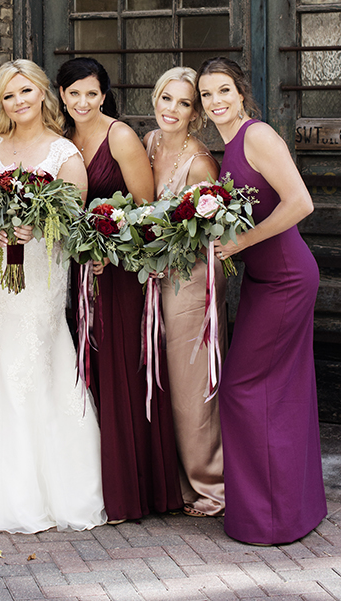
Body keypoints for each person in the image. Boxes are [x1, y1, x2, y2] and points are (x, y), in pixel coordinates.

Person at [0, 59, 106, 533]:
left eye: (26, 91)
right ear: (0, 102)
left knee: (33, 363)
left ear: (43, 93)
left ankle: (51, 489)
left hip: (42, 275)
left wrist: (38, 229)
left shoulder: (64, 152)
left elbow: (74, 226)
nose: (18, 101)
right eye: (8, 95)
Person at [196, 57, 327, 545]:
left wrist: (240, 244)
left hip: (287, 278)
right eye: (207, 95)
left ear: (241, 92)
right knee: (283, 391)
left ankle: (270, 517)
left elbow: (301, 203)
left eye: (224, 90)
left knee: (243, 388)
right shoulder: (226, 145)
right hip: (262, 280)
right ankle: (294, 507)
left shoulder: (257, 135)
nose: (216, 102)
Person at [56, 57, 182, 523]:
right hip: (74, 268)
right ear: (63, 96)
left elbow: (145, 209)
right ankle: (97, 483)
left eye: (91, 93)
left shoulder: (120, 136)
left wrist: (109, 246)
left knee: (121, 369)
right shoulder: (62, 140)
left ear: (104, 95)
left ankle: (134, 489)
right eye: (73, 94)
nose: (83, 102)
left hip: (118, 271)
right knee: (87, 369)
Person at [144, 66, 226, 518]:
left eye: (184, 103)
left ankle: (212, 486)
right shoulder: (150, 143)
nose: (172, 110)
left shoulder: (199, 162)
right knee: (161, 381)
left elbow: (214, 236)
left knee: (191, 386)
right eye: (166, 99)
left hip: (188, 281)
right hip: (152, 279)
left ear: (196, 114)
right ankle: (175, 482)